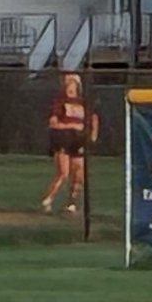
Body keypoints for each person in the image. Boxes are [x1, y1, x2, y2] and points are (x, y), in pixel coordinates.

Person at [40, 72, 98, 214]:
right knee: (63, 173)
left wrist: (93, 135)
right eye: (67, 85)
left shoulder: (83, 102)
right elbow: (53, 123)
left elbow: (94, 118)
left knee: (79, 173)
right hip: (63, 139)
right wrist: (71, 126)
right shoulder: (60, 102)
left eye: (72, 84)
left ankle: (71, 203)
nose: (70, 88)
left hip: (79, 140)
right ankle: (48, 199)